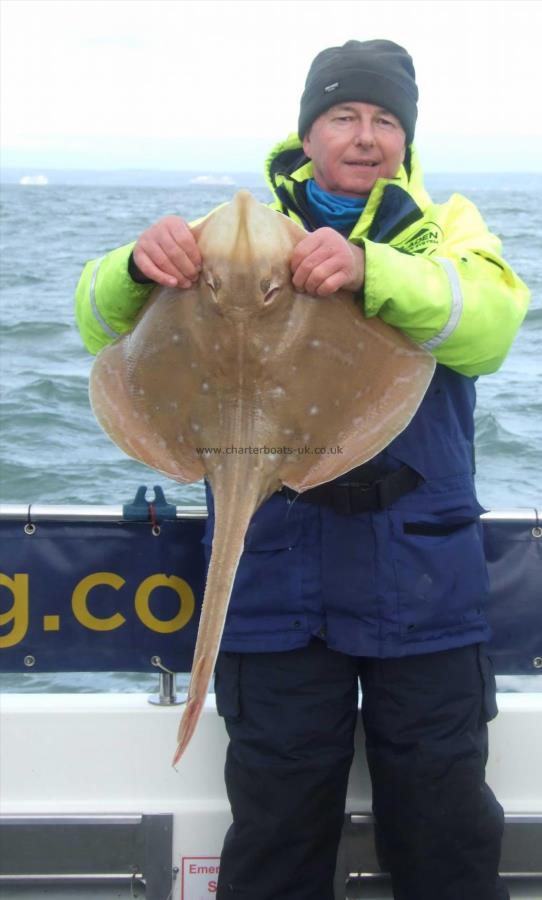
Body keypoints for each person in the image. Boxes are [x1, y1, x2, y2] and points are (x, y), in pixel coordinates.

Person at [75, 39, 530, 900]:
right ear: (308, 130)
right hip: (274, 571)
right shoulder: (219, 238)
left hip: (421, 578)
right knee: (277, 830)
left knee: (445, 832)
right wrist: (137, 268)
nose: (366, 136)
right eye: (344, 116)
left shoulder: (442, 229)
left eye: (386, 119)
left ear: (407, 138)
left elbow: (493, 324)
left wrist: (371, 269)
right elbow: (94, 322)